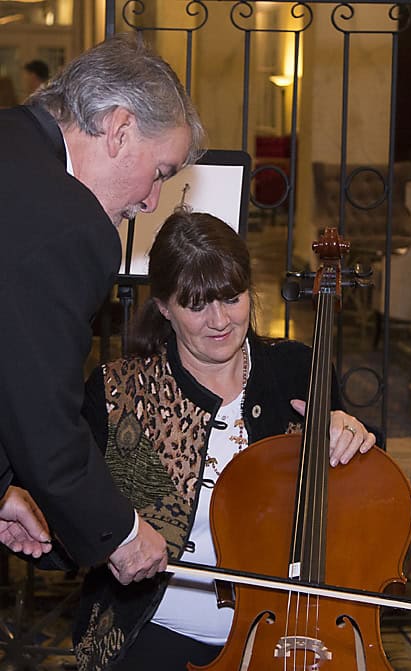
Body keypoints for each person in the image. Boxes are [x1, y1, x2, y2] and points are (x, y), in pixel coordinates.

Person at [73, 208, 376, 671]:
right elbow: (70, 514)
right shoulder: (118, 392)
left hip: (290, 632)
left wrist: (352, 441)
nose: (219, 320)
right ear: (163, 308)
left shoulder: (297, 370)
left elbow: (360, 512)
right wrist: (110, 538)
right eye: (196, 305)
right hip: (155, 629)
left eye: (232, 298)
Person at [0, 33, 204, 581]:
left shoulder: (11, 137)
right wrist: (123, 532)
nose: (151, 201)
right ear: (119, 130)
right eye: (160, 172)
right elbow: (43, 418)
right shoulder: (71, 224)